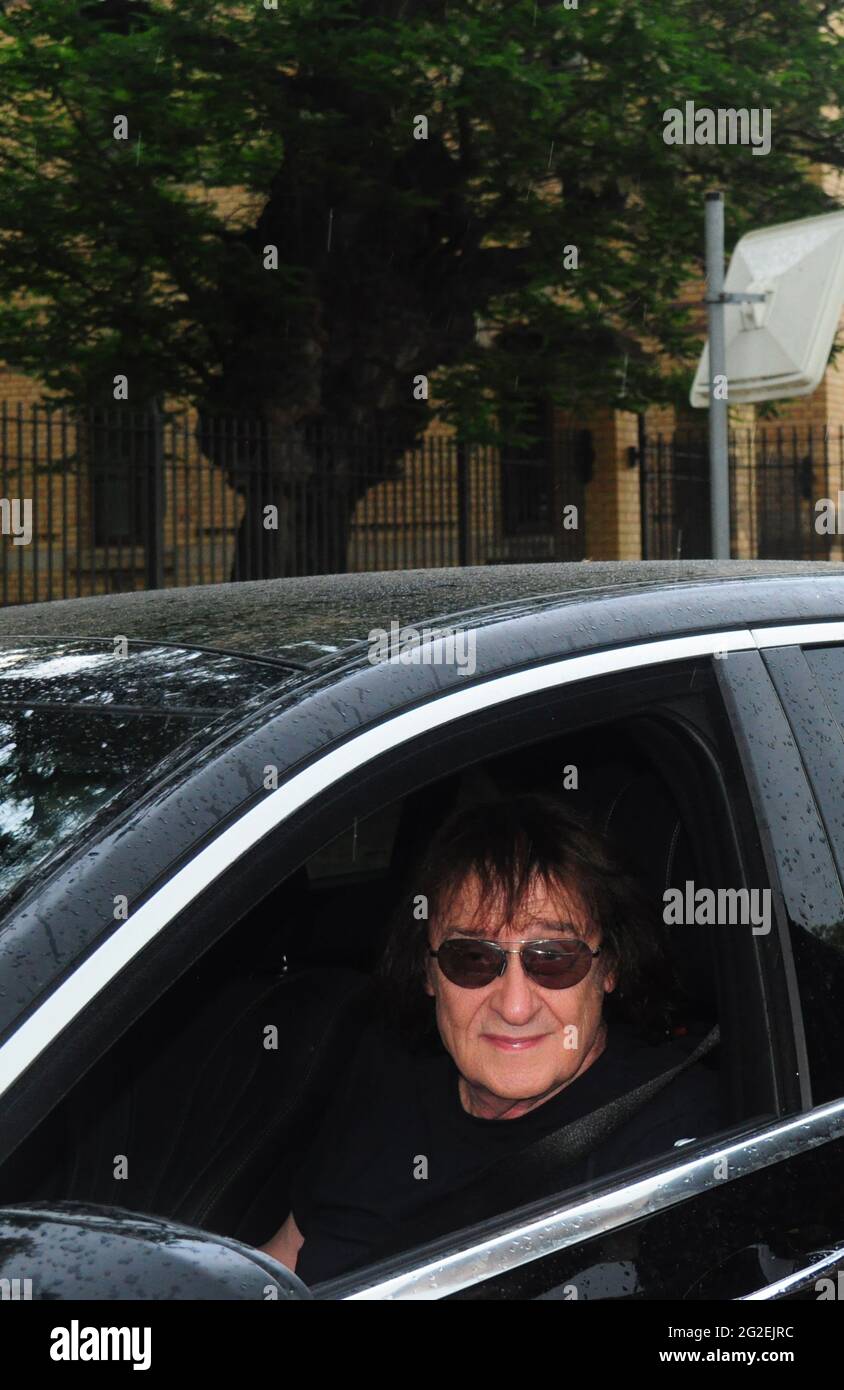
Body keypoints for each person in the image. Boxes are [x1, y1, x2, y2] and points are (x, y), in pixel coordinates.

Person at [258, 792, 721, 1282]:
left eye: (554, 957)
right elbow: (279, 1266)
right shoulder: (386, 1073)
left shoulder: (670, 1139)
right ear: (428, 972)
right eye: (473, 959)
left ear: (608, 967)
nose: (515, 1006)